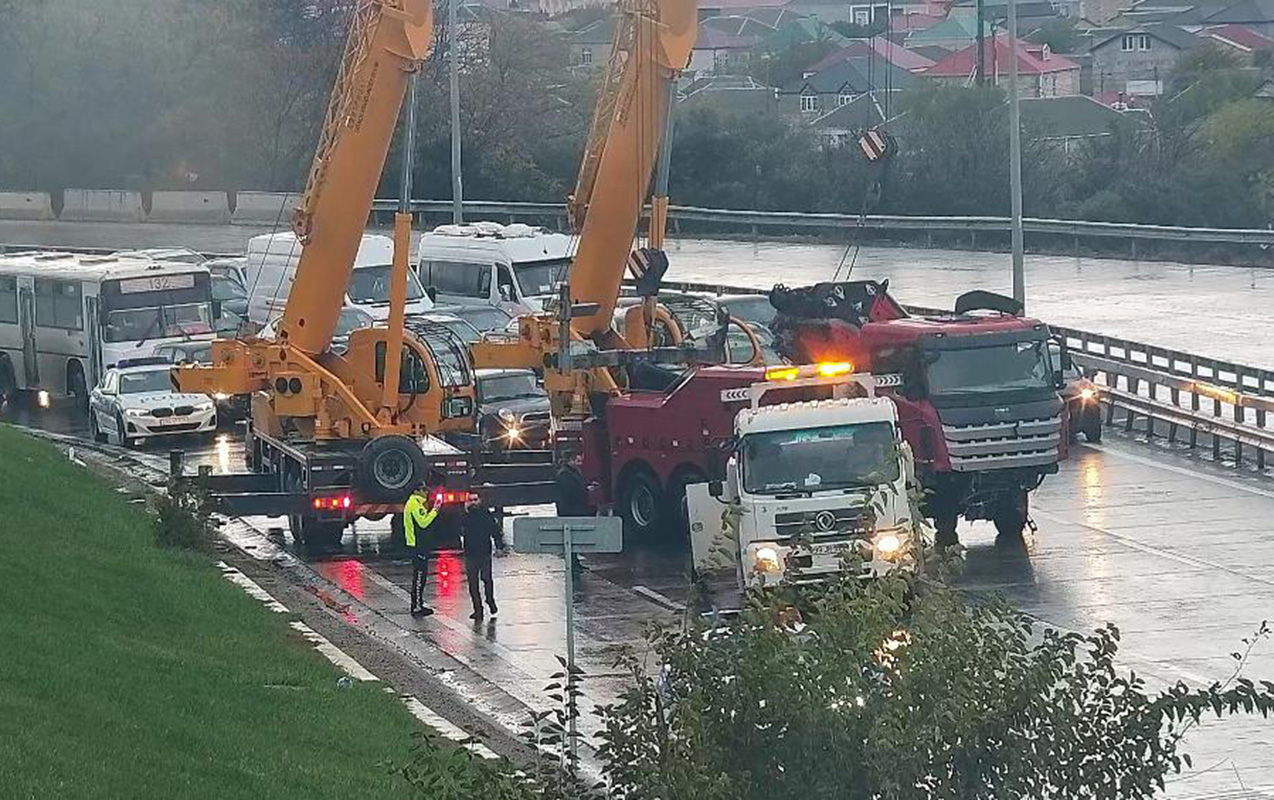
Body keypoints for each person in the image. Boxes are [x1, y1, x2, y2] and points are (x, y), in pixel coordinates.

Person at [461, 492, 506, 621]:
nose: (473, 502)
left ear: (480, 500)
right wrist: (465, 511)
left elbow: (495, 530)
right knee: (473, 584)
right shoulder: (465, 515)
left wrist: (499, 547)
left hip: (484, 552)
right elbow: (459, 528)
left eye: (475, 499)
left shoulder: (485, 514)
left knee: (487, 579)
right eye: (471, 500)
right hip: (470, 554)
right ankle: (478, 609)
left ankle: (490, 601)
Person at [555, 453, 594, 575]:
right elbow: (570, 491)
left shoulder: (571, 472)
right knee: (571, 538)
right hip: (570, 510)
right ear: (570, 460)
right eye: (577, 461)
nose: (580, 463)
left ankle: (575, 563)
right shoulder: (565, 474)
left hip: (573, 509)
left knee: (574, 538)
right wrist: (586, 489)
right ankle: (573, 564)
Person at [403, 486, 439, 617]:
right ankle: (416, 606)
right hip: (418, 546)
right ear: (417, 491)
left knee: (421, 577)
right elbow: (423, 522)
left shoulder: (416, 503)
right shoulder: (414, 504)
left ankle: (418, 603)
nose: (427, 493)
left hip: (419, 545)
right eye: (425, 491)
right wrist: (435, 510)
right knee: (419, 577)